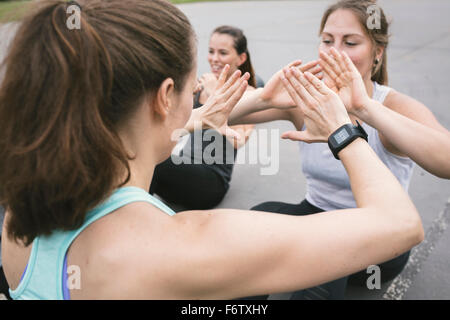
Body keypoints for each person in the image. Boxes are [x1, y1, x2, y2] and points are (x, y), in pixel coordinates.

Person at [0, 0, 423, 300]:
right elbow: (400, 224)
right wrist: (342, 130)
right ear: (166, 96)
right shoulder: (189, 245)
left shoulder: (22, 212)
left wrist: (205, 117)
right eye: (193, 88)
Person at [224, 0, 450, 299]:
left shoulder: (392, 107)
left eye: (351, 42)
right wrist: (263, 98)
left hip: (379, 239)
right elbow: (218, 116)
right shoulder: (310, 99)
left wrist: (363, 108)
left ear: (377, 53)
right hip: (318, 217)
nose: (335, 51)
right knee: (253, 226)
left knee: (317, 254)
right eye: (328, 40)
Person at [149, 25, 261, 210]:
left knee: (156, 162)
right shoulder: (201, 84)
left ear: (241, 58)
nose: (214, 59)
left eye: (223, 53)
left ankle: (133, 221)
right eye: (211, 51)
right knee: (143, 151)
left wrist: (212, 92)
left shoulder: (247, 91)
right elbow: (171, 123)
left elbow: (239, 140)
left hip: (211, 180)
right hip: (183, 164)